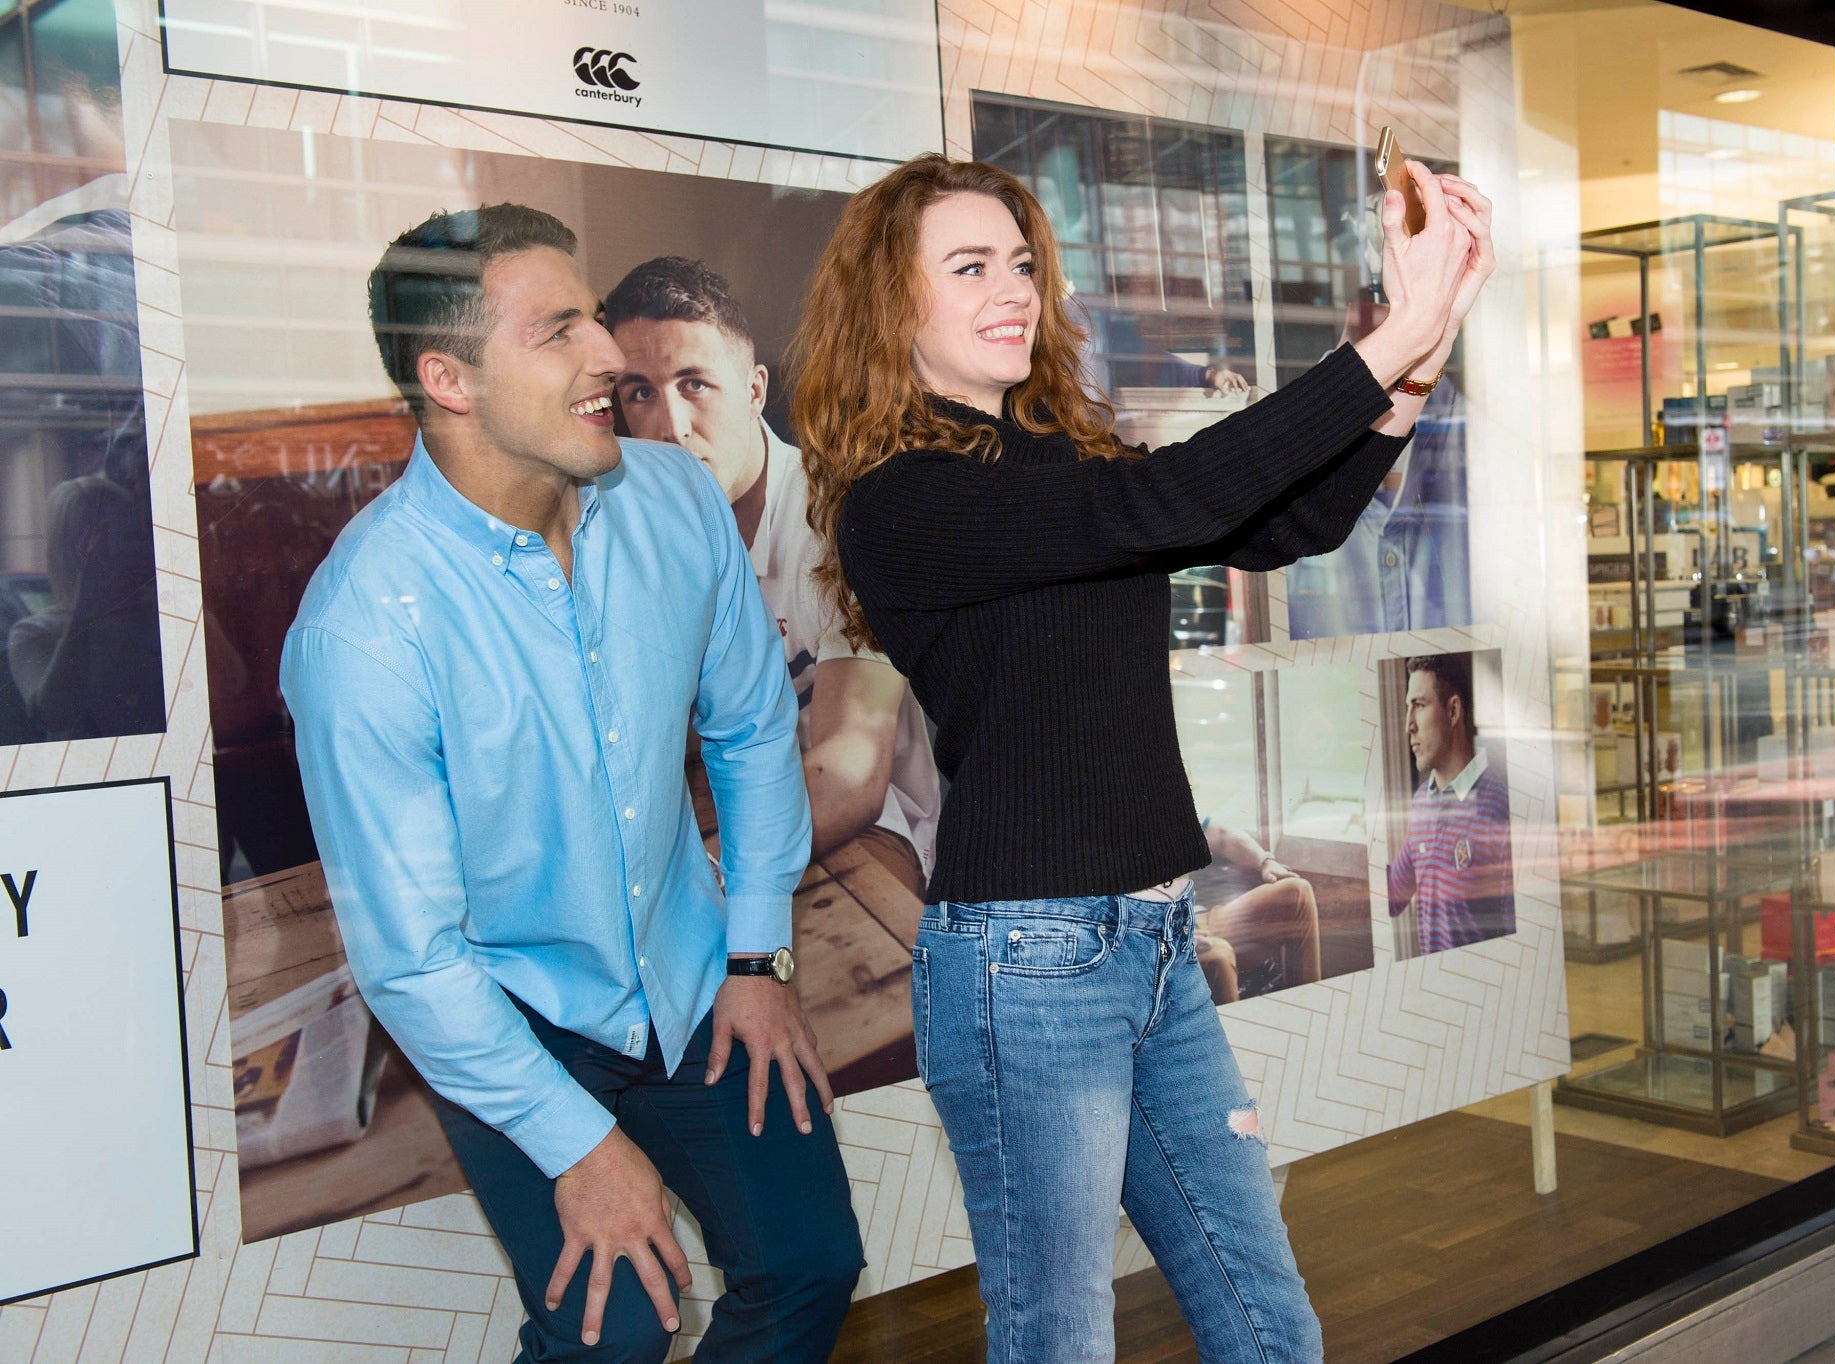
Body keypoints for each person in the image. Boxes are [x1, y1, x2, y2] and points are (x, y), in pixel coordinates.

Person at [790, 153, 1492, 1362]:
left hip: (1153, 944)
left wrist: (1416, 359)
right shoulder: (896, 501)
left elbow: (1284, 521)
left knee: (1267, 1319)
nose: (1010, 287)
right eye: (968, 267)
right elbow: (1162, 504)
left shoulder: (1058, 455)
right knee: (1058, 1336)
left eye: (1018, 262)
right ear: (890, 305)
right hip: (1026, 965)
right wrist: (1387, 338)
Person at [280, 205, 862, 1364]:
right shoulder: (364, 627)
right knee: (614, 1331)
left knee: (808, 1262)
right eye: (560, 331)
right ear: (447, 377)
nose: (609, 357)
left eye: (593, 314)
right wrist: (580, 1146)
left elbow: (750, 730)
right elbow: (412, 957)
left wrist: (757, 953)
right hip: (511, 1013)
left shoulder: (674, 498)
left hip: (695, 968)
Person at [602, 255, 941, 894]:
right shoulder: (644, 537)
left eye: (694, 383)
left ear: (755, 390)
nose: (671, 428)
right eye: (640, 393)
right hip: (726, 813)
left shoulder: (847, 515)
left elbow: (851, 772)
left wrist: (709, 885)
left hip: (870, 835)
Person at [1388, 653, 1516, 956]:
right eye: (1408, 708)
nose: (1408, 726)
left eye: (1418, 706)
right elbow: (1393, 895)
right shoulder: (1422, 803)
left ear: (1453, 710)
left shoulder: (1500, 808)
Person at [1191, 819, 1322, 1003]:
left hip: (1199, 919)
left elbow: (1221, 834)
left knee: (1297, 892)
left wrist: (1265, 861)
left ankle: (1307, 1012)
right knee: (1218, 955)